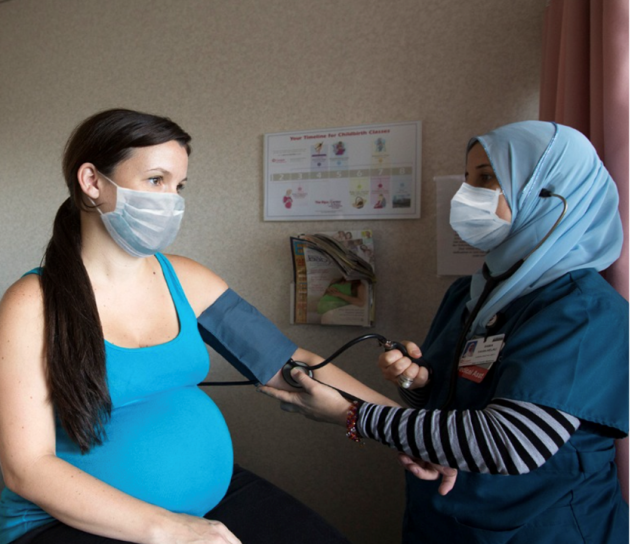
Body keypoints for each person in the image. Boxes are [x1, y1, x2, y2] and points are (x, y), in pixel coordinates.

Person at [0, 109, 401, 544]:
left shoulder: (187, 280)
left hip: (212, 499)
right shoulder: (33, 303)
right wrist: (169, 530)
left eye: (179, 186)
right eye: (156, 180)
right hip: (72, 521)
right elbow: (27, 468)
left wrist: (407, 428)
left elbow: (290, 362)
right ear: (92, 182)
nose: (172, 201)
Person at [261, 121, 630, 543]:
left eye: (487, 178)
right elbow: (446, 402)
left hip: (543, 528)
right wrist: (417, 382)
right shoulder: (472, 291)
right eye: (469, 178)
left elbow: (512, 442)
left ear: (550, 195)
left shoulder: (584, 313)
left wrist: (354, 416)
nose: (466, 194)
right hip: (446, 519)